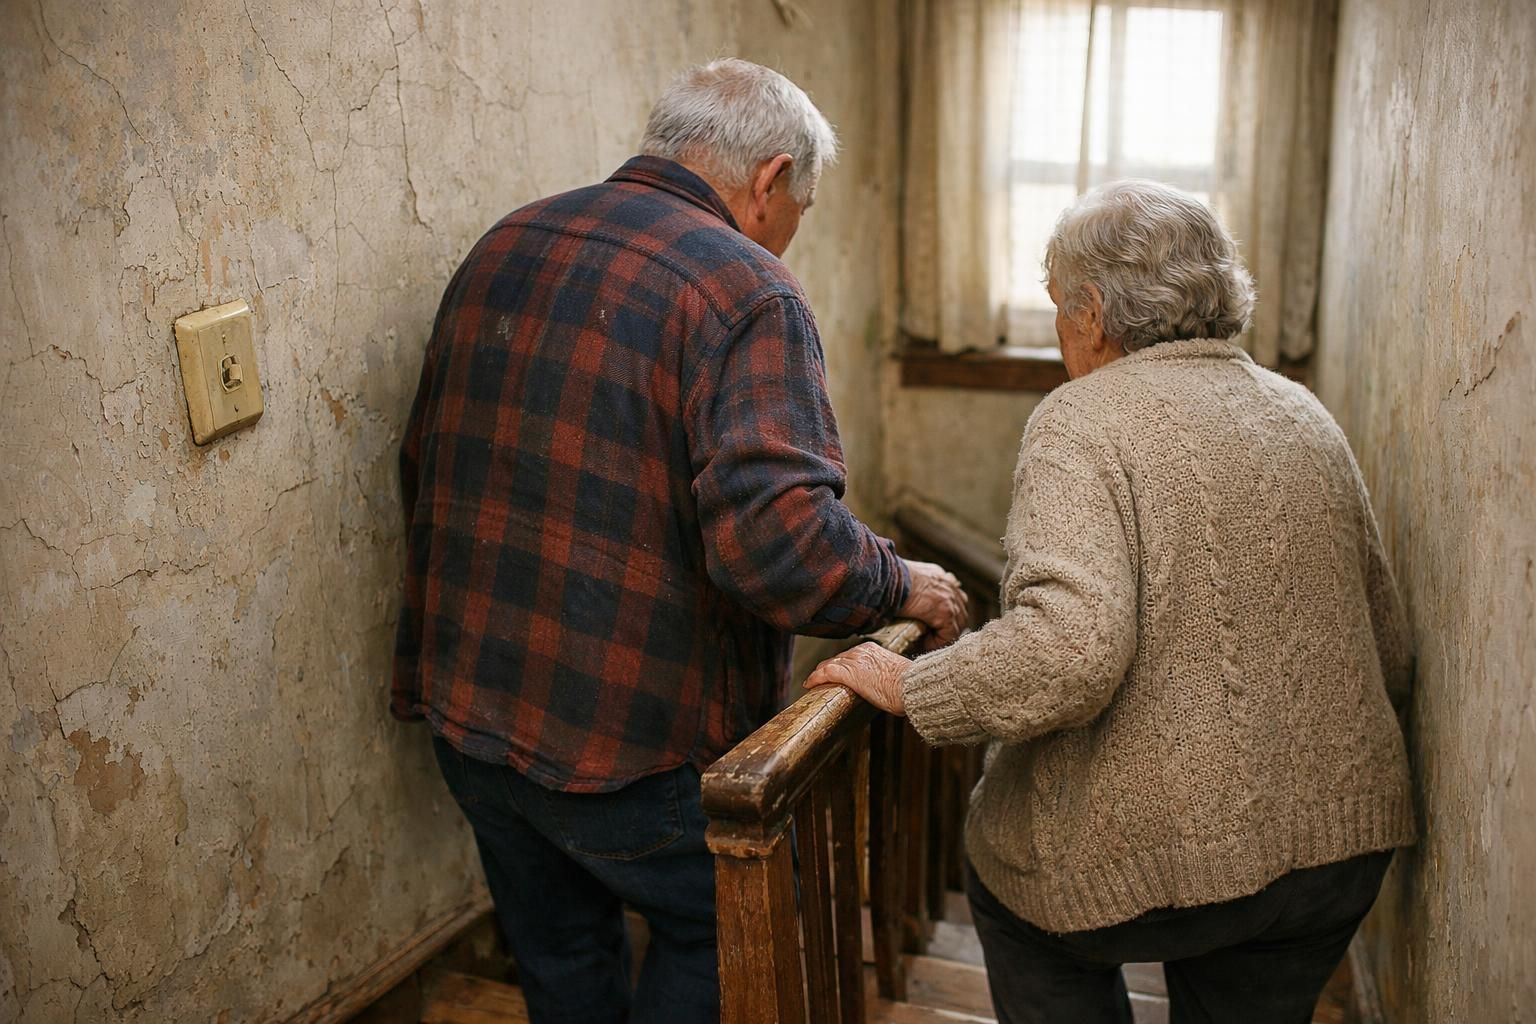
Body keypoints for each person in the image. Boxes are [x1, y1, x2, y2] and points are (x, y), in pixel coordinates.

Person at [392, 59, 967, 1024]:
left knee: (564, 955)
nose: (792, 236)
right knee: (722, 931)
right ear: (770, 179)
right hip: (631, 753)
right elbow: (782, 551)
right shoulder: (748, 291)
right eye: (801, 209)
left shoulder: (507, 240)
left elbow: (422, 464)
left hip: (474, 720)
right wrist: (901, 582)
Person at [808, 179, 1416, 1024]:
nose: (1060, 331)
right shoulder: (1302, 412)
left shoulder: (1081, 420)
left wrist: (914, 685)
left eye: (1059, 308)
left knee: (1008, 886)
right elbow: (1389, 646)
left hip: (1171, 867)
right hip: (1339, 848)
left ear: (1092, 313)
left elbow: (1068, 653)